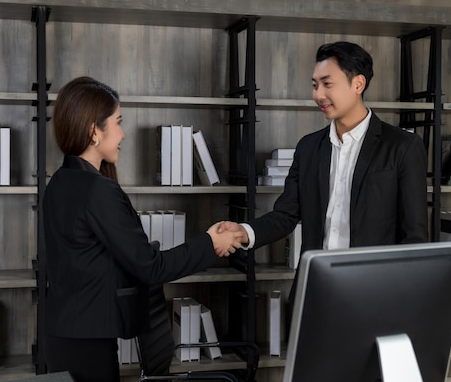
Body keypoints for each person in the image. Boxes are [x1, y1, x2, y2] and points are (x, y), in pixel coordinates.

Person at [42, 76, 243, 382]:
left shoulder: (59, 181)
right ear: (94, 130)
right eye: (118, 122)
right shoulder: (97, 191)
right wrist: (210, 242)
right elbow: (150, 268)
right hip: (88, 342)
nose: (122, 134)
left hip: (63, 333)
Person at [219, 40, 428, 277]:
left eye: (327, 84)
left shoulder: (403, 147)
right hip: (316, 286)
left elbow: (415, 238)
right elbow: (285, 215)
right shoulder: (308, 147)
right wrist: (244, 232)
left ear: (358, 83)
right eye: (315, 85)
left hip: (376, 290)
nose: (318, 95)